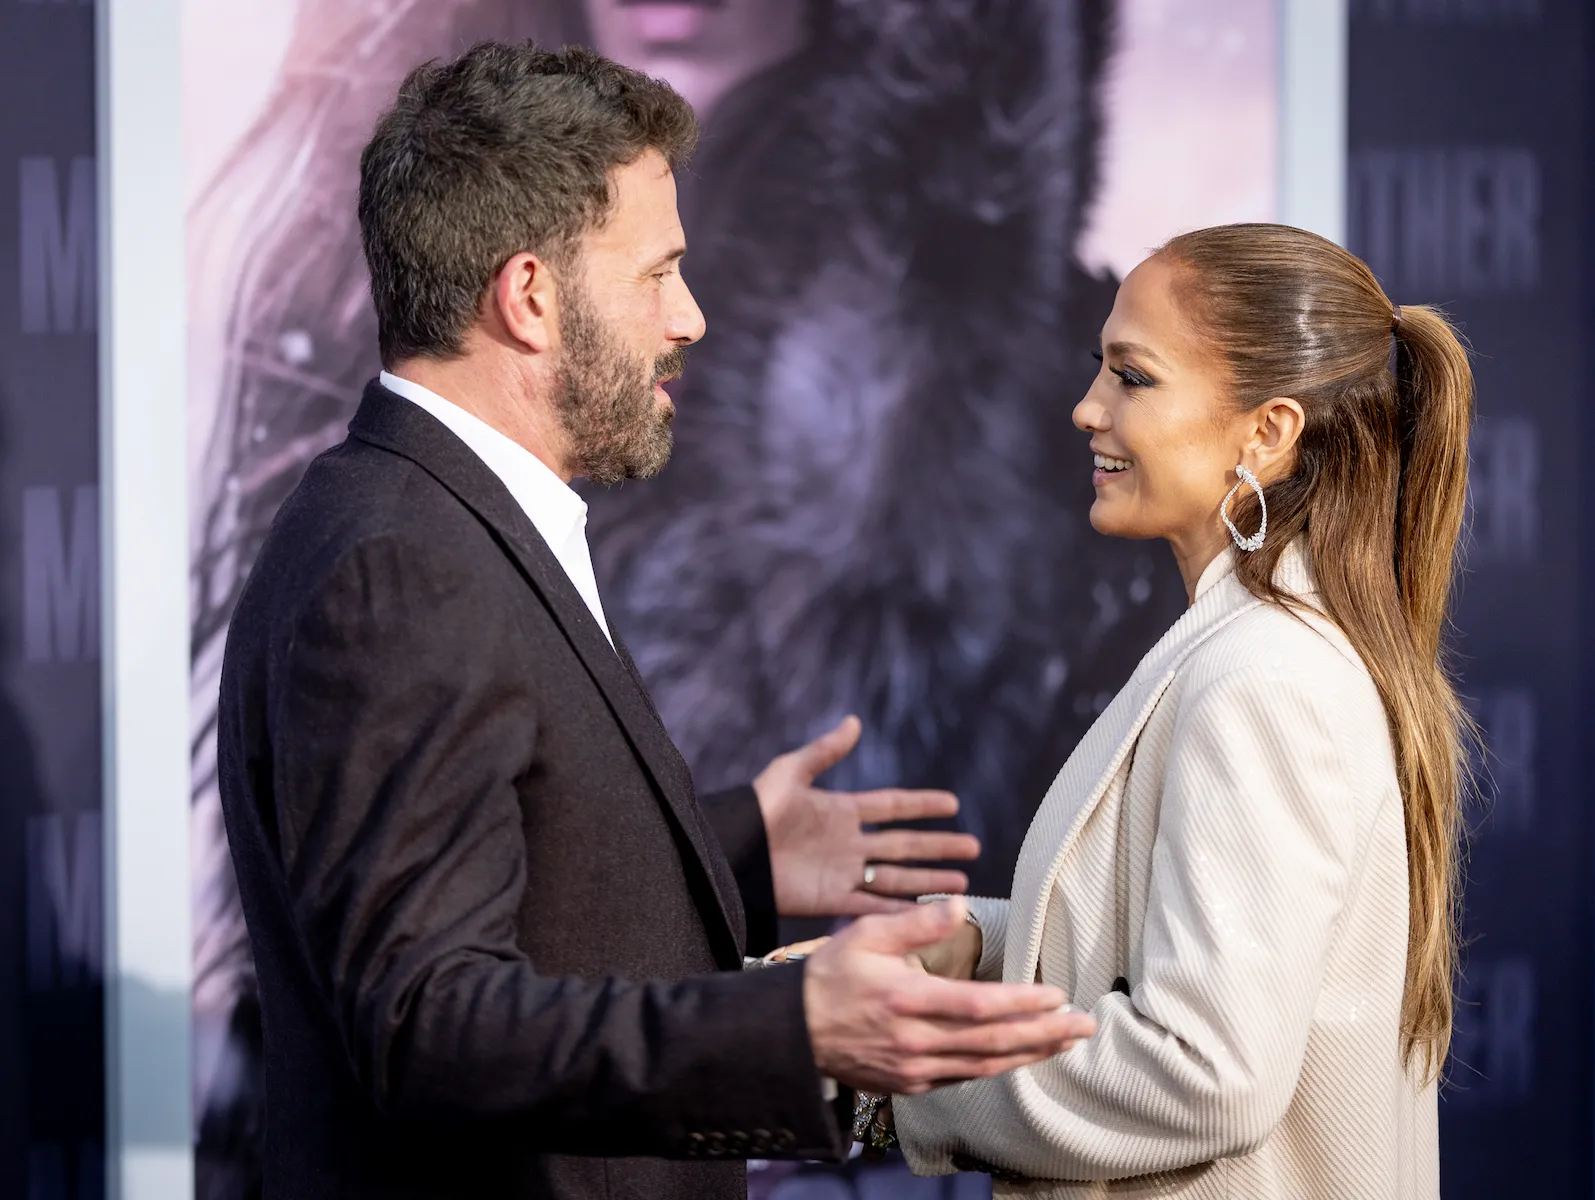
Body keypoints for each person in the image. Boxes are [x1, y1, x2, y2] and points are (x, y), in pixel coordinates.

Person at [216, 42, 1099, 1200]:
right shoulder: (400, 570)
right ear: (531, 296)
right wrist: (785, 1030)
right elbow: (427, 1023)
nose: (690, 316)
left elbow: (507, 864)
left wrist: (734, 847)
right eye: (658, 273)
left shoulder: (444, 520)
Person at [891, 223, 1471, 1198]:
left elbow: (1205, 1072)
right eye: (1098, 369)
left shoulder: (1264, 680)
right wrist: (986, 943)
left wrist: (903, 1089)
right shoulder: (1252, 650)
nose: (1086, 408)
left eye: (1133, 377)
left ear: (1268, 432)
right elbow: (1197, 965)